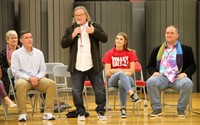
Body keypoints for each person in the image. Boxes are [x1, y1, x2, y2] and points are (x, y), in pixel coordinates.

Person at [61, 6, 107, 121]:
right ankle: (80, 112)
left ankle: (101, 111)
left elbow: (105, 38)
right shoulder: (71, 28)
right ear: (74, 17)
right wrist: (72, 35)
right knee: (76, 91)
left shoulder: (94, 26)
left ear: (86, 15)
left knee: (100, 90)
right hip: (77, 65)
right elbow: (63, 43)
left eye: (81, 15)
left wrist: (94, 32)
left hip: (93, 64)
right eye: (76, 15)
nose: (79, 17)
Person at [146, 25, 196, 117]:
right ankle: (157, 109)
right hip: (162, 77)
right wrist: (153, 72)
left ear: (177, 35)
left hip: (178, 77)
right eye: (167, 33)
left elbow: (192, 65)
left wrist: (185, 73)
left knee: (188, 83)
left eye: (172, 33)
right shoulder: (157, 49)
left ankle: (181, 109)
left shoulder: (186, 49)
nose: (169, 35)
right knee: (150, 81)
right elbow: (149, 65)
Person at [11, 30, 56, 122]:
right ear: (21, 40)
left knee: (51, 84)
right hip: (23, 79)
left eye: (31, 37)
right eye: (26, 38)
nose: (29, 39)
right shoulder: (16, 54)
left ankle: (48, 112)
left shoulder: (39, 53)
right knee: (20, 85)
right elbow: (15, 71)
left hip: (37, 79)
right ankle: (22, 113)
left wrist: (37, 77)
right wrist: (29, 78)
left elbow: (43, 69)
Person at [102, 32, 141, 118]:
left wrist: (114, 70)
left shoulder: (130, 53)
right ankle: (132, 94)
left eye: (121, 39)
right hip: (113, 80)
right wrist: (122, 72)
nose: (118, 41)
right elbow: (107, 72)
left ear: (125, 41)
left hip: (128, 80)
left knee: (121, 82)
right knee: (120, 75)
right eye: (117, 38)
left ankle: (123, 109)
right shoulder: (109, 53)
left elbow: (132, 71)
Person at [0, 30, 20, 94]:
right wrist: (11, 70)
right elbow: (2, 69)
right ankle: (7, 100)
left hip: (22, 74)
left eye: (16, 38)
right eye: (12, 38)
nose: (14, 40)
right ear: (7, 40)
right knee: (6, 81)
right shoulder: (3, 53)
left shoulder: (23, 51)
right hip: (8, 75)